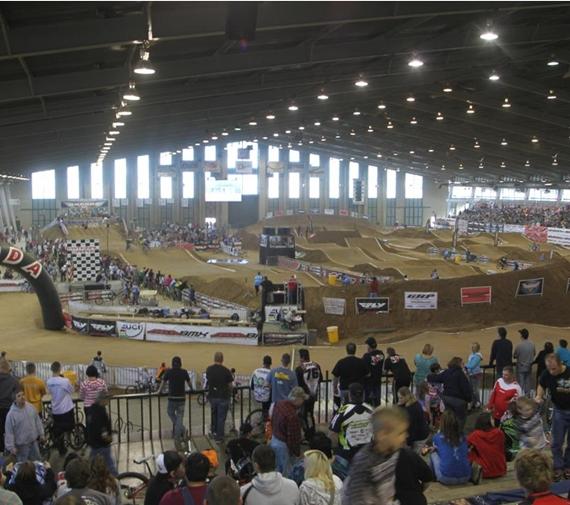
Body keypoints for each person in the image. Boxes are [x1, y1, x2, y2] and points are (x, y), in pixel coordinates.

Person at [343, 406, 433, 505]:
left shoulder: (396, 451)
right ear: (383, 435)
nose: (406, 435)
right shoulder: (364, 464)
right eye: (400, 433)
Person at [535, 353, 570, 480]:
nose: (551, 371)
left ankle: (568, 466)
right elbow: (541, 384)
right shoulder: (546, 374)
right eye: (549, 368)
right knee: (556, 442)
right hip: (559, 411)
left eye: (554, 369)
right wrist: (539, 396)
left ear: (560, 364)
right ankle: (558, 467)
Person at [430, 410, 481, 485]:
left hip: (446, 478)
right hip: (466, 476)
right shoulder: (463, 438)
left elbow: (439, 448)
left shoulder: (437, 437)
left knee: (433, 453)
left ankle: (432, 480)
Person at [328, 383, 373, 462]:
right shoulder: (371, 410)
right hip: (366, 452)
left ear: (349, 395)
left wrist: (333, 450)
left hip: (346, 454)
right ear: (363, 395)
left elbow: (332, 433)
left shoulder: (343, 411)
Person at [269, 386, 307, 478]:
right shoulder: (292, 416)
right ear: (297, 399)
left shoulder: (278, 404)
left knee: (276, 469)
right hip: (283, 446)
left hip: (274, 439)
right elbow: (293, 439)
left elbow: (271, 418)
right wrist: (297, 453)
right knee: (287, 474)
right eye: (302, 399)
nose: (303, 402)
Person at [427, 357, 472, 428]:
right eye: (462, 363)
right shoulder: (461, 374)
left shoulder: (446, 372)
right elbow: (466, 388)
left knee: (449, 418)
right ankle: (458, 434)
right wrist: (469, 399)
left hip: (447, 398)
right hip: (458, 400)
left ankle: (448, 432)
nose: (464, 365)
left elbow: (435, 378)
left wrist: (429, 376)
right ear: (458, 364)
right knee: (460, 419)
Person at [158, 356, 192, 448]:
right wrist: (192, 389)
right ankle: (182, 431)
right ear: (180, 363)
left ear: (172, 363)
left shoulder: (169, 372)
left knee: (170, 413)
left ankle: (178, 437)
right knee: (180, 418)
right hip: (181, 398)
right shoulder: (184, 372)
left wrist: (159, 392)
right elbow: (189, 383)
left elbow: (163, 383)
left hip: (172, 398)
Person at [5, 388, 44, 463]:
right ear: (14, 400)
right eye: (19, 396)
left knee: (37, 462)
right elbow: (9, 432)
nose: (22, 397)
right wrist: (11, 447)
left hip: (33, 443)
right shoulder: (11, 415)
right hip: (21, 447)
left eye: (23, 394)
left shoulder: (31, 407)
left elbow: (37, 421)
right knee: (23, 467)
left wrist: (41, 434)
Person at [467, 412, 507, 479]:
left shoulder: (475, 435)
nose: (493, 420)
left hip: (484, 471)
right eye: (492, 419)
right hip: (500, 469)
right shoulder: (499, 433)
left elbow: (465, 447)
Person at [47, 361, 75, 455]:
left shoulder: (49, 381)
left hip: (56, 409)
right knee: (70, 426)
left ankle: (61, 447)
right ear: (60, 369)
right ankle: (68, 441)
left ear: (51, 369)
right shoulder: (65, 381)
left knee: (59, 430)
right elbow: (71, 390)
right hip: (66, 409)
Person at [86, 391, 116, 476]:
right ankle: (116, 480)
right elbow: (101, 429)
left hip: (94, 443)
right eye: (107, 399)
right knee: (109, 465)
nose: (108, 400)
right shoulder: (100, 412)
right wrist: (108, 438)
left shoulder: (92, 409)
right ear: (102, 400)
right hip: (101, 444)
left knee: (92, 463)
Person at [206, 352, 234, 442]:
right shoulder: (226, 370)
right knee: (221, 417)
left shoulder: (209, 369)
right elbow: (230, 385)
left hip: (212, 396)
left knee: (214, 415)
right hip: (223, 397)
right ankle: (219, 437)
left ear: (214, 359)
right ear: (222, 359)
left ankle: (214, 432)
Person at [295, 349, 322, 440]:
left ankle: (308, 434)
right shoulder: (316, 365)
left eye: (300, 357)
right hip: (313, 394)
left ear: (302, 357)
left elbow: (297, 384)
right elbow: (320, 379)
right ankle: (312, 431)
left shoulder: (299, 368)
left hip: (304, 395)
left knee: (303, 414)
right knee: (310, 413)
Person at [397, 386, 430, 452]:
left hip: (420, 436)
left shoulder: (412, 410)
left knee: (413, 456)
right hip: (417, 433)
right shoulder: (412, 402)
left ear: (407, 397)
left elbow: (411, 429)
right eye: (398, 398)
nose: (399, 400)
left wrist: (408, 444)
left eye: (401, 398)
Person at [0, 358, 19, 452]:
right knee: (10, 434)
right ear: (9, 368)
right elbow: (17, 398)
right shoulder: (14, 381)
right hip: (9, 411)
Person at [362, 337, 384, 407]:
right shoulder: (381, 354)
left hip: (368, 384)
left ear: (369, 346)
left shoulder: (366, 356)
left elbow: (363, 368)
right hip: (377, 382)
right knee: (377, 403)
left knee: (367, 405)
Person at [514, 328, 536, 395]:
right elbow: (534, 353)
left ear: (521, 336)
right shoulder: (532, 344)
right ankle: (527, 397)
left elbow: (515, 355)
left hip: (521, 367)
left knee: (520, 383)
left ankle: (519, 398)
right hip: (529, 367)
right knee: (528, 383)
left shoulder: (519, 345)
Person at [466, 343, 483, 409]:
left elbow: (472, 365)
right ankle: (473, 402)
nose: (473, 348)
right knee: (472, 390)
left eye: (474, 347)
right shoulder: (472, 355)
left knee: (475, 390)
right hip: (471, 374)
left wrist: (464, 366)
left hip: (476, 374)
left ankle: (477, 402)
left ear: (478, 348)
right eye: (472, 347)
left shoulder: (477, 356)